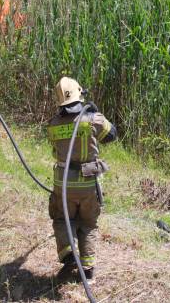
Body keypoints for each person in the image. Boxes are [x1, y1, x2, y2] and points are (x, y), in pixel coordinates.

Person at [46, 77, 117, 281]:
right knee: (88, 224)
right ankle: (87, 268)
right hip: (88, 184)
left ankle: (68, 253)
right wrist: (95, 113)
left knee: (62, 219)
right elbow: (112, 135)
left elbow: (55, 150)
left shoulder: (53, 124)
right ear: (79, 94)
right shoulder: (94, 119)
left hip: (63, 185)